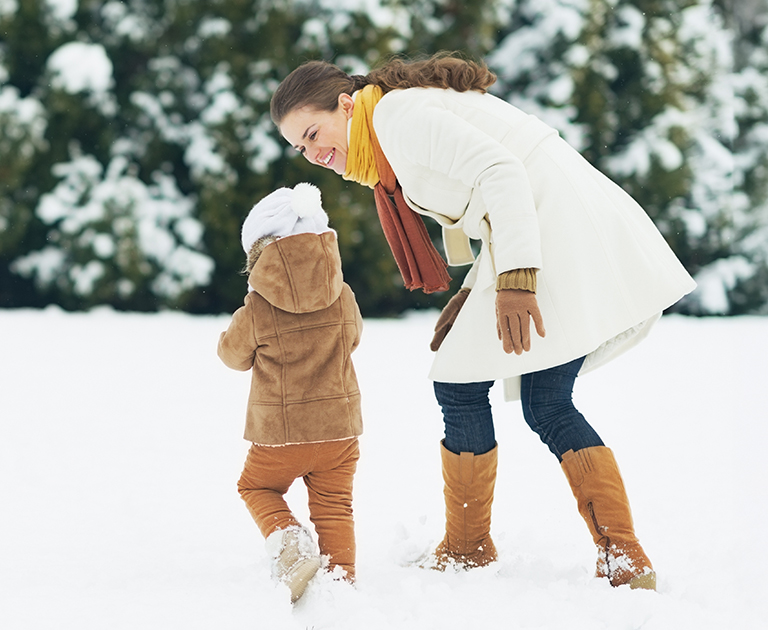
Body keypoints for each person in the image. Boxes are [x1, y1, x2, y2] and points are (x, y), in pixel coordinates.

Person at [270, 52, 696, 591]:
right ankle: (616, 558)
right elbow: (492, 197)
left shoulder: (398, 120)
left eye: (313, 132)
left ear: (346, 104)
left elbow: (503, 174)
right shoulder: (389, 127)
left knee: (480, 387)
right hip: (543, 228)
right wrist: (472, 292)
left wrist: (516, 280)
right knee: (538, 400)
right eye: (299, 147)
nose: (312, 153)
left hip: (556, 231)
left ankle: (487, 549)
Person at [217, 182, 363, 603]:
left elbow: (233, 356)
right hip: (339, 431)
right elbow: (352, 339)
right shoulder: (343, 296)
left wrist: (227, 333)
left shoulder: (257, 308)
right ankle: (341, 583)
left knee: (256, 488)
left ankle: (290, 541)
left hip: (279, 435)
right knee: (335, 506)